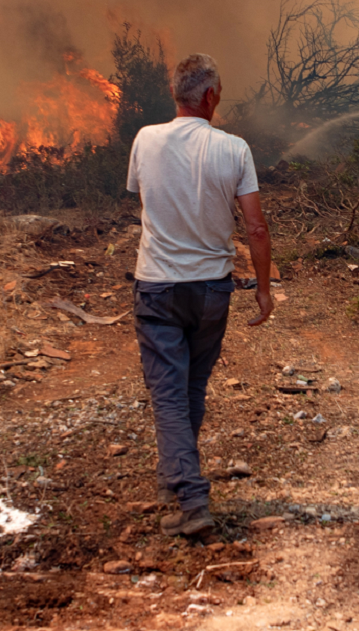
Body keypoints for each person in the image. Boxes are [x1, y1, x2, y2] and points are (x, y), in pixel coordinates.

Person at [127, 53, 275, 540]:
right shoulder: (234, 149)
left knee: (169, 393)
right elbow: (255, 226)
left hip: (158, 287)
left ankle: (190, 501)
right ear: (209, 95)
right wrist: (264, 289)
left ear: (176, 94)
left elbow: (145, 196)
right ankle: (176, 482)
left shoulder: (146, 139)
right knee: (188, 390)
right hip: (212, 290)